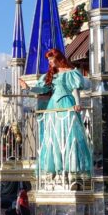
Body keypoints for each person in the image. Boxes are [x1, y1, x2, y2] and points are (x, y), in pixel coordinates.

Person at [19, 48, 91, 179]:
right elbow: (42, 88)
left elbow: (74, 89)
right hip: (53, 106)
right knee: (54, 135)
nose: (50, 63)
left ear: (59, 59)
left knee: (70, 134)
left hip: (67, 103)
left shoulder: (71, 72)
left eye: (51, 60)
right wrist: (28, 88)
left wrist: (77, 103)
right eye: (49, 61)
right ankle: (55, 168)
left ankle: (72, 167)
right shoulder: (51, 74)